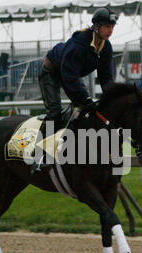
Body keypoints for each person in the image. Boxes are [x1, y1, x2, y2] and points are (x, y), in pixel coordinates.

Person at [31, 7, 118, 173]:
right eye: (108, 26)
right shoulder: (79, 44)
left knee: (83, 112)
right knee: (55, 113)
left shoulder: (106, 48)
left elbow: (106, 78)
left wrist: (111, 97)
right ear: (97, 27)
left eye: (112, 27)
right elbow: (69, 76)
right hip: (51, 72)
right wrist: (85, 99)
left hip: (68, 73)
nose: (111, 30)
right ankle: (38, 156)